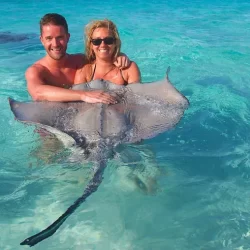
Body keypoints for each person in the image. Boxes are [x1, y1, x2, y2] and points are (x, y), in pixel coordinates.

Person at [26, 13, 131, 104]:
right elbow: (38, 93)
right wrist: (83, 95)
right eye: (49, 38)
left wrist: (119, 55)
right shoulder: (36, 71)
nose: (55, 44)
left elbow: (103, 54)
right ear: (41, 40)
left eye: (60, 38)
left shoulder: (81, 61)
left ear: (68, 37)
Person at [74, 19, 141, 85]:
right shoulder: (84, 72)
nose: (103, 45)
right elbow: (77, 95)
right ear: (91, 45)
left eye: (108, 40)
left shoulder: (129, 69)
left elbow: (136, 94)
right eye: (97, 41)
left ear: (115, 43)